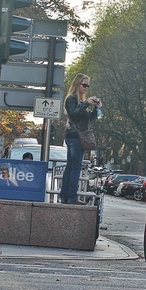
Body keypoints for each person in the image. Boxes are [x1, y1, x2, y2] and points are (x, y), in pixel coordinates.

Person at [60, 73, 102, 204]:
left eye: (88, 86)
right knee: (75, 167)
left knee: (71, 166)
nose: (86, 88)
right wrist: (86, 104)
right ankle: (72, 197)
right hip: (75, 136)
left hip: (78, 136)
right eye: (84, 85)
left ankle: (65, 196)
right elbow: (74, 113)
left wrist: (97, 108)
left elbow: (92, 118)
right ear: (77, 84)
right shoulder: (71, 98)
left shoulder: (81, 102)